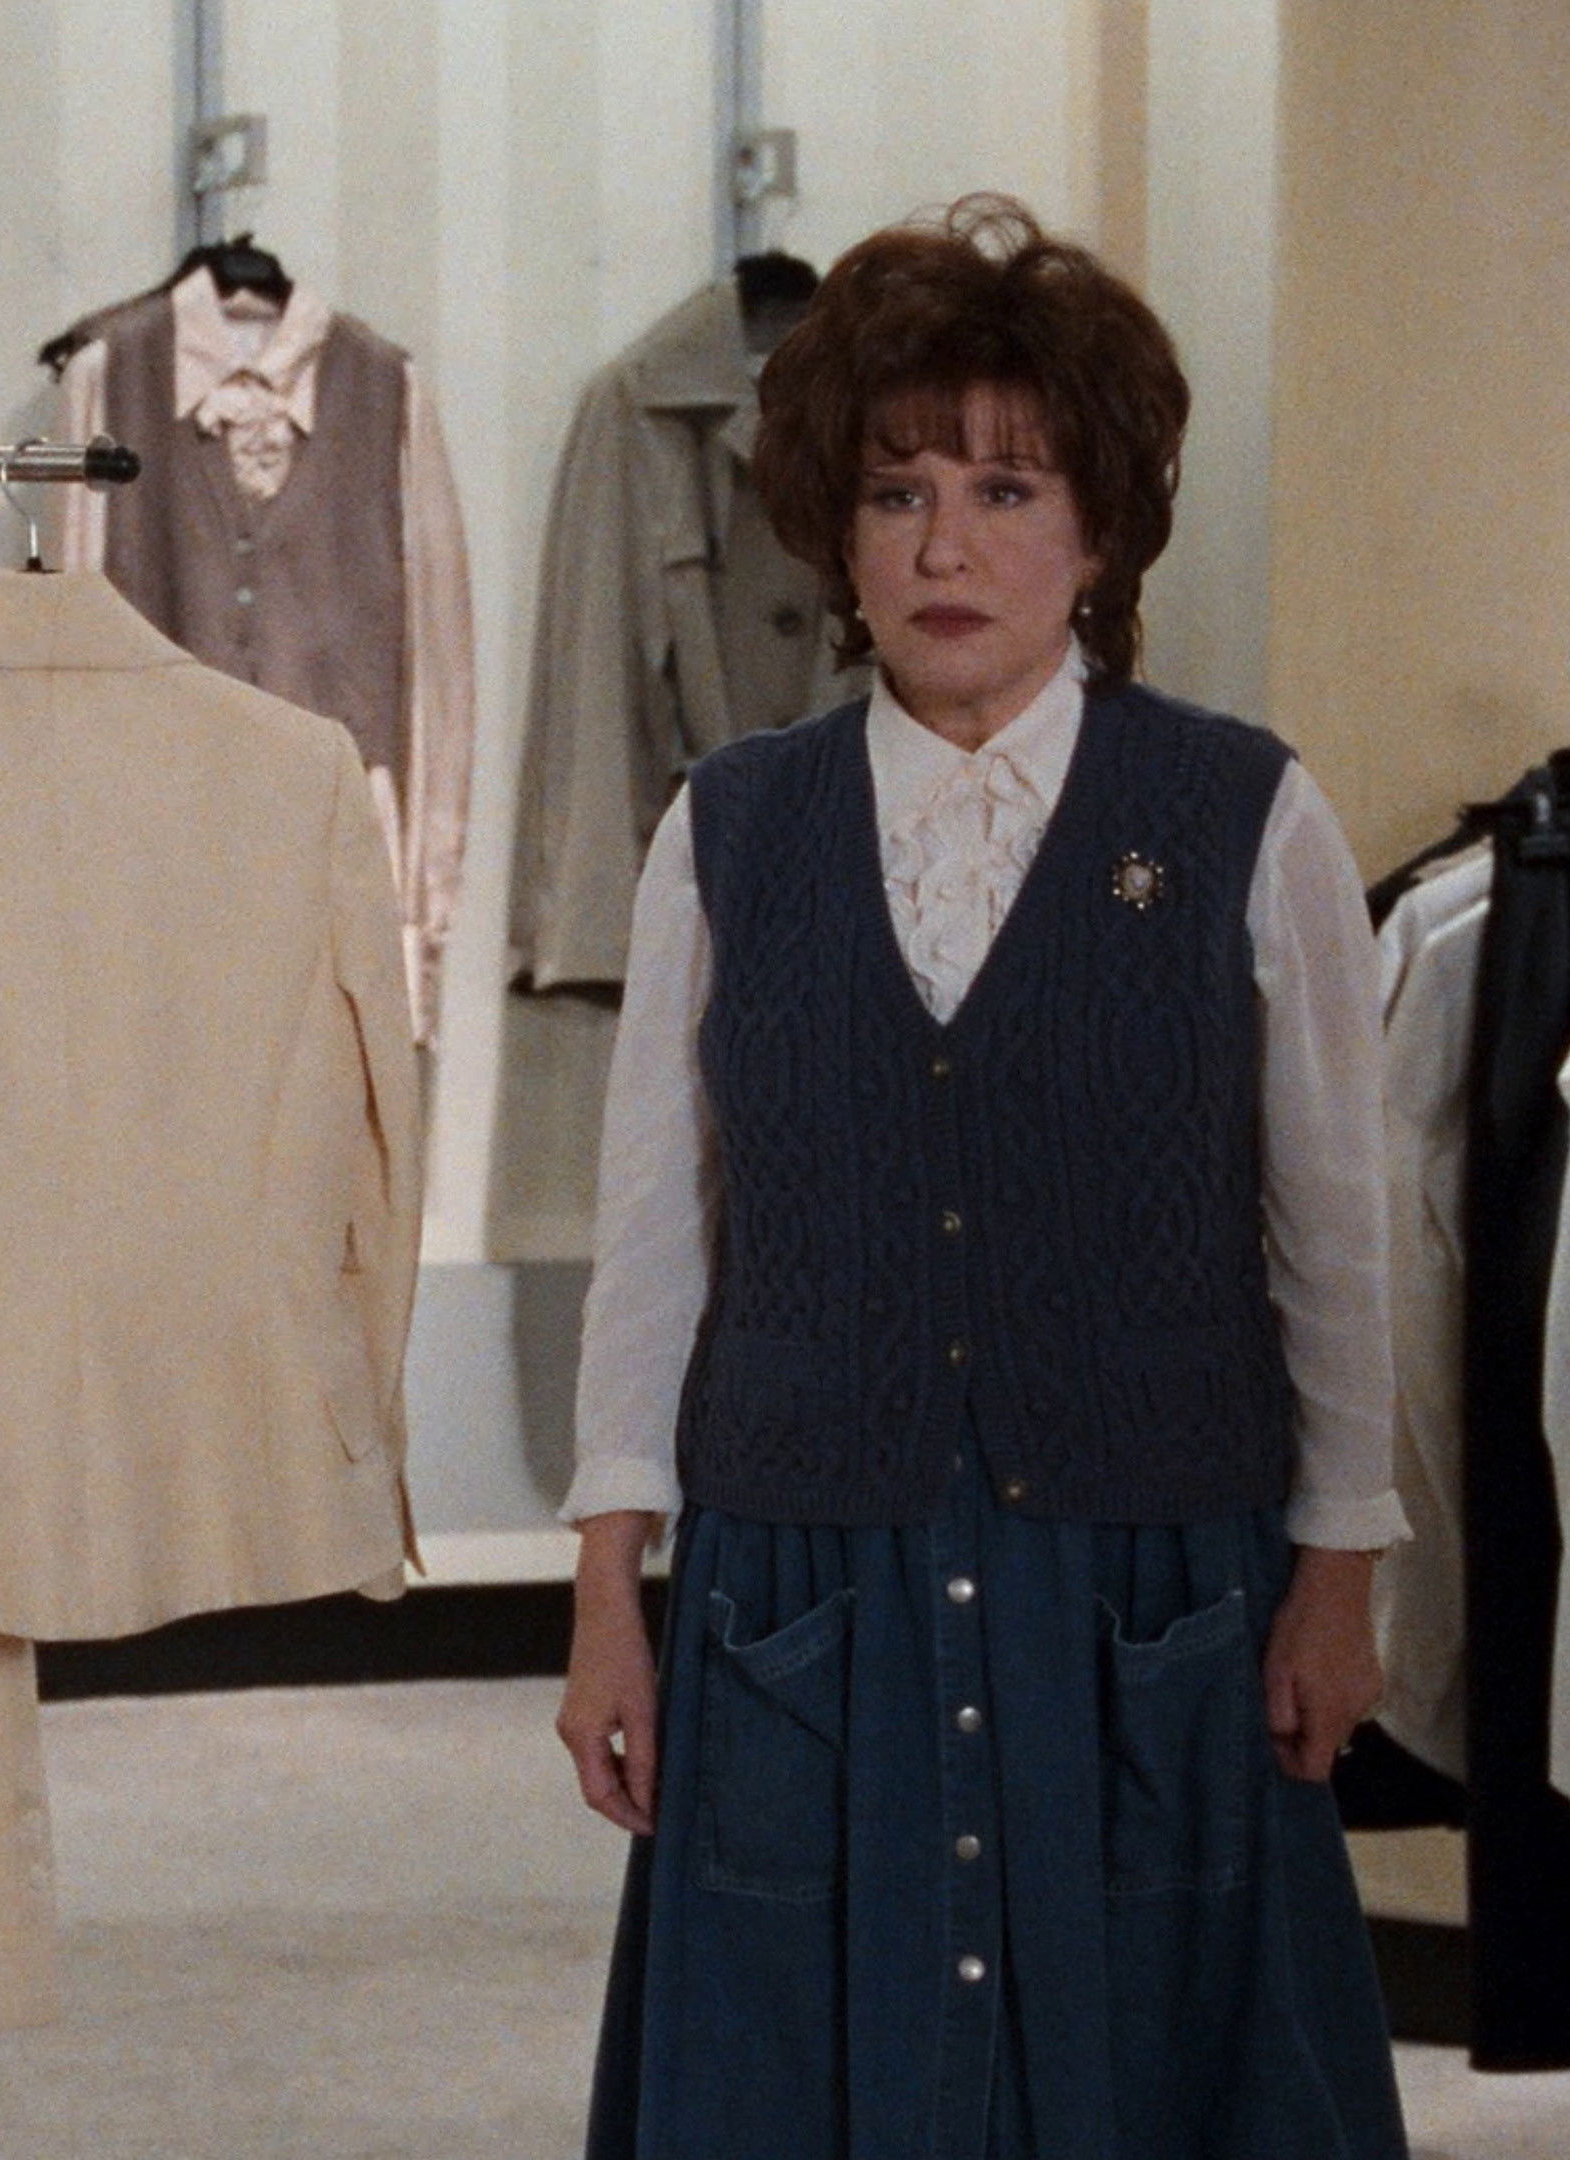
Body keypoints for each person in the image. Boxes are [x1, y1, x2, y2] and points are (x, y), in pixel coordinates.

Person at [554, 196, 1409, 2157]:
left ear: (1100, 533)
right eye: (899, 493)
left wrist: (1340, 1573)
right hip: (805, 1575)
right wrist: (610, 1594)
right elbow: (656, 1238)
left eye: (1007, 491)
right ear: (836, 536)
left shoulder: (1243, 812)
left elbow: (1334, 1235)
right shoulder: (727, 830)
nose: (947, 548)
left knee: (1156, 2070)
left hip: (1149, 1574)